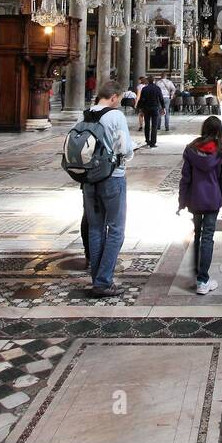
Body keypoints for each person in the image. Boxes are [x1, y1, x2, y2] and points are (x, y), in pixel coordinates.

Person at [80, 82, 134, 297]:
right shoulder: (115, 116)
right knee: (116, 229)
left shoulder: (84, 115)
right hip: (113, 177)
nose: (119, 102)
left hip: (88, 178)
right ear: (113, 97)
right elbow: (125, 148)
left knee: (95, 228)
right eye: (118, 98)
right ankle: (102, 281)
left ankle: (98, 279)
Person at [178, 115, 222, 295]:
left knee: (198, 235)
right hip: (213, 199)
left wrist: (182, 201)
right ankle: (202, 280)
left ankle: (198, 274)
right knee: (207, 237)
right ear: (219, 132)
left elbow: (185, 178)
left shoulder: (191, 149)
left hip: (195, 198)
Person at [138, 75, 164, 148]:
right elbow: (161, 99)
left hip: (146, 109)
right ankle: (153, 143)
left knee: (147, 125)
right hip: (155, 108)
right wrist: (163, 108)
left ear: (148, 81)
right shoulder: (157, 88)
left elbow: (141, 99)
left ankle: (147, 141)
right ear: (154, 81)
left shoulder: (144, 89)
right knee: (154, 126)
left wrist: (140, 107)